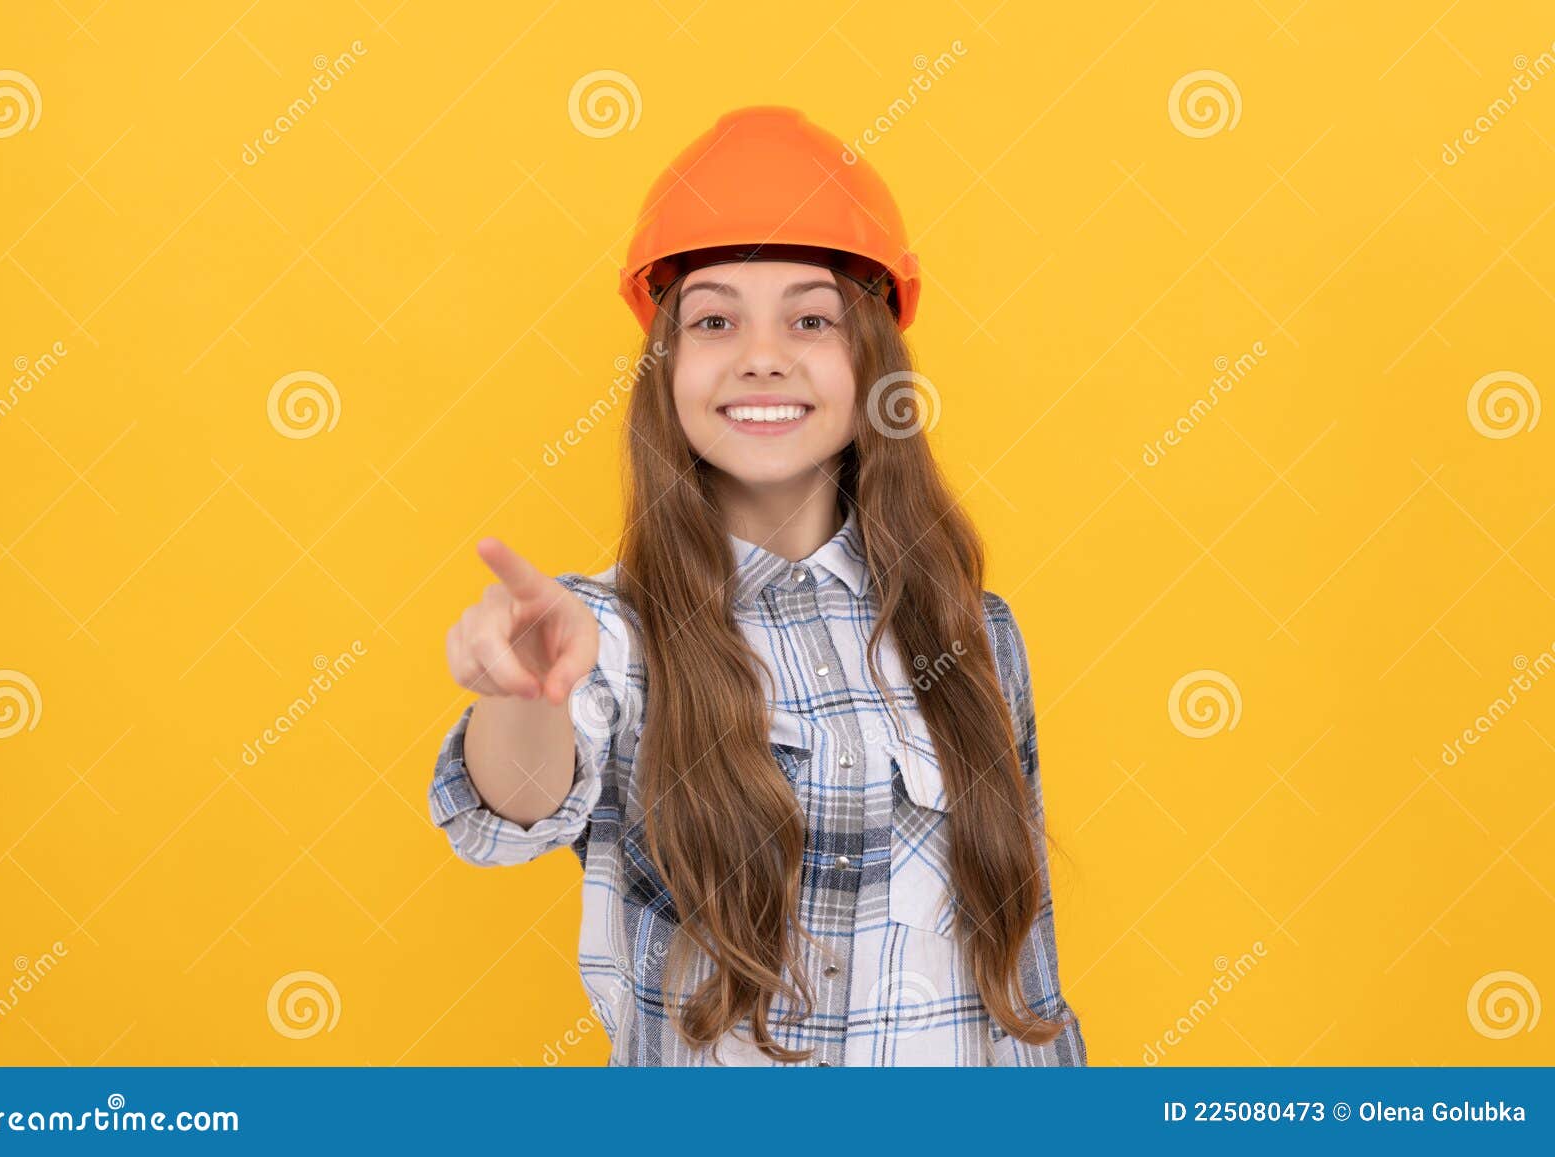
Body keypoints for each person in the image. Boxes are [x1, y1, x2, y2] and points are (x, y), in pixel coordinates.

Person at [429, 105, 1087, 1066]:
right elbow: (514, 811)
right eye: (715, 320)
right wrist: (522, 695)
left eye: (810, 318)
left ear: (872, 359)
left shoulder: (974, 632)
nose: (762, 352)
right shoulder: (608, 634)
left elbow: (1027, 979)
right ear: (667, 368)